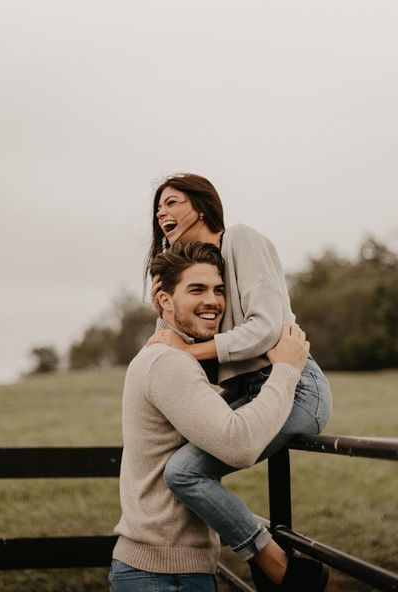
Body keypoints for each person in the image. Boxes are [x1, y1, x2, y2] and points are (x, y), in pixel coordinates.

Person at [146, 173, 332, 591]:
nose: (161, 212)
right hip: (246, 392)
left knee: (184, 473)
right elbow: (167, 340)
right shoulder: (200, 275)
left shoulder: (240, 240)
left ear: (201, 205)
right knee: (171, 469)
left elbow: (266, 329)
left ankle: (278, 566)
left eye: (172, 202)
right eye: (159, 207)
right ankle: (272, 551)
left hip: (295, 386)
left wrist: (190, 351)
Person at [110, 241, 326, 592]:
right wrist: (286, 370)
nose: (212, 301)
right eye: (197, 289)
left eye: (218, 290)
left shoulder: (167, 356)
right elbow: (238, 443)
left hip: (165, 568)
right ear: (165, 300)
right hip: (163, 577)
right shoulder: (167, 362)